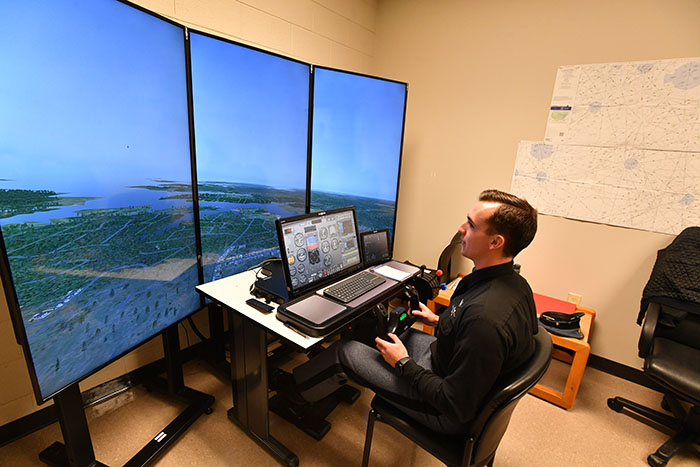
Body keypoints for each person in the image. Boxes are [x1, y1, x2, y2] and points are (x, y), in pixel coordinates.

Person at [336, 189, 539, 434]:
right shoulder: (515, 284)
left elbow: (455, 403)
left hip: (443, 407)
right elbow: (478, 341)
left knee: (347, 350)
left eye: (472, 226)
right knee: (390, 333)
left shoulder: (484, 321)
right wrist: (439, 319)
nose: (461, 228)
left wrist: (403, 363)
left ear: (495, 242)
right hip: (445, 363)